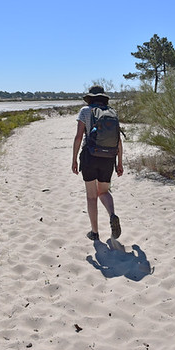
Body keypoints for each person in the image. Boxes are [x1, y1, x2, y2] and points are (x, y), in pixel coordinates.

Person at [72, 85, 124, 241]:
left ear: (90, 98)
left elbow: (79, 137)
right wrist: (119, 163)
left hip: (90, 156)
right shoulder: (111, 112)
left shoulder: (85, 111)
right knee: (104, 191)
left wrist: (74, 159)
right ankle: (112, 215)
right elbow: (118, 140)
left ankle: (94, 233)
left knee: (91, 196)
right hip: (108, 158)